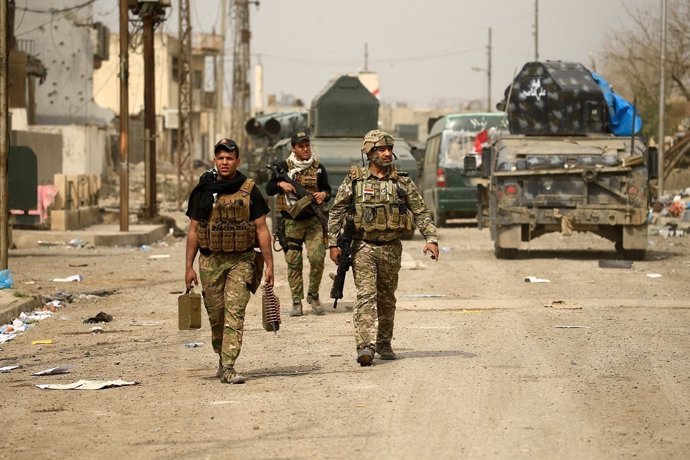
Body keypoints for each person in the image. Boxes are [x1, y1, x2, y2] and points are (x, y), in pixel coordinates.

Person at [327, 129, 439, 366]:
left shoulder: (402, 181)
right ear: (369, 153)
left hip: (391, 247)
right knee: (366, 295)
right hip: (363, 247)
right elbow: (336, 211)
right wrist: (333, 243)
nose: (387, 153)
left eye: (389, 149)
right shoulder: (355, 180)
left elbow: (420, 211)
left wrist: (431, 238)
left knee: (386, 298)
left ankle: (384, 342)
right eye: (381, 149)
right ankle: (365, 346)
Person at [185, 138, 274, 384]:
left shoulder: (250, 189)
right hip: (210, 260)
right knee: (216, 314)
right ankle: (221, 356)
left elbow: (262, 229)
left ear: (237, 161)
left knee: (235, 312)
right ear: (215, 160)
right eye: (221, 158)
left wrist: (269, 264)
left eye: (230, 158)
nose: (225, 162)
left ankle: (229, 365)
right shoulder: (202, 190)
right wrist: (188, 267)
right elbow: (193, 229)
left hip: (242, 260)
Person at [265, 130, 332, 317]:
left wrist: (324, 195)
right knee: (294, 263)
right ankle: (296, 301)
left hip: (313, 221)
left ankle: (314, 295)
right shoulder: (283, 167)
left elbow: (327, 189)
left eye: (307, 145)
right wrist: (280, 184)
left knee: (317, 258)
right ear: (293, 148)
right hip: (291, 222)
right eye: (301, 146)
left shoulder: (319, 168)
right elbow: (268, 188)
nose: (305, 149)